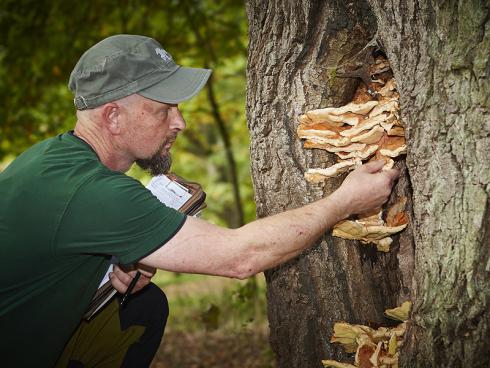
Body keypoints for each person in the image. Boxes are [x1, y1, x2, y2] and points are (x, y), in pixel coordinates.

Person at [0, 35, 399, 367]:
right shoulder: (92, 192)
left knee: (143, 306)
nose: (180, 122)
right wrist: (344, 201)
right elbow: (240, 257)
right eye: (163, 110)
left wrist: (103, 274)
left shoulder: (47, 159)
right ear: (113, 117)